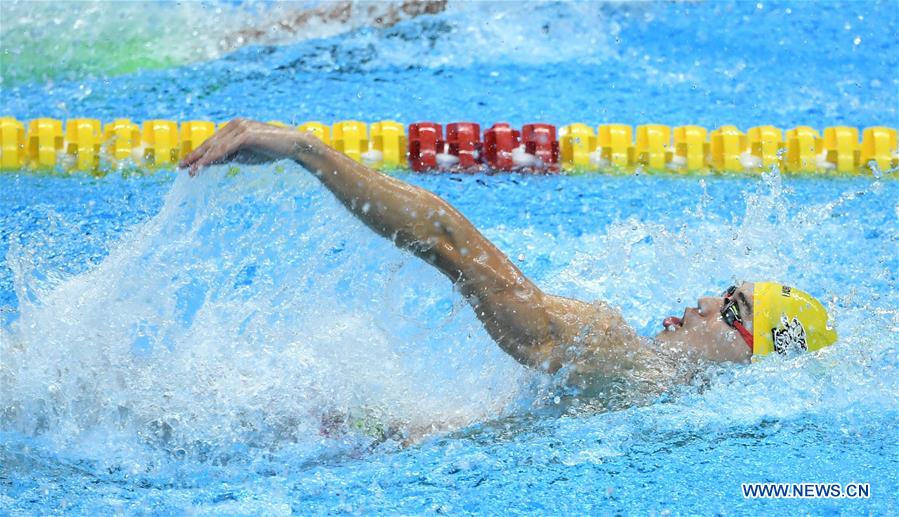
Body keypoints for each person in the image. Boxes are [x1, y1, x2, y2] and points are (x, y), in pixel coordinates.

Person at [179, 119, 838, 400]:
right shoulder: (634, 372)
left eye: (731, 309)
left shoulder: (615, 353)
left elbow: (448, 243)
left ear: (755, 358)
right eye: (720, 291)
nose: (701, 301)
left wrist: (307, 151)